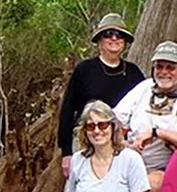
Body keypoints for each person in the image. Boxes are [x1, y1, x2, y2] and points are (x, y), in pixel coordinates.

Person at [114, 41, 177, 192]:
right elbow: (115, 121)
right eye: (159, 67)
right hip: (127, 158)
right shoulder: (144, 87)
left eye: (171, 67)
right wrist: (123, 143)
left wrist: (157, 132)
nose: (164, 72)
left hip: (163, 167)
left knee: (153, 185)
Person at [58, 13, 145, 177]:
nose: (114, 38)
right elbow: (68, 110)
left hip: (121, 139)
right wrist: (66, 152)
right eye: (108, 34)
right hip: (88, 136)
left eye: (119, 35)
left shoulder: (134, 73)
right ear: (99, 40)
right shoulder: (84, 70)